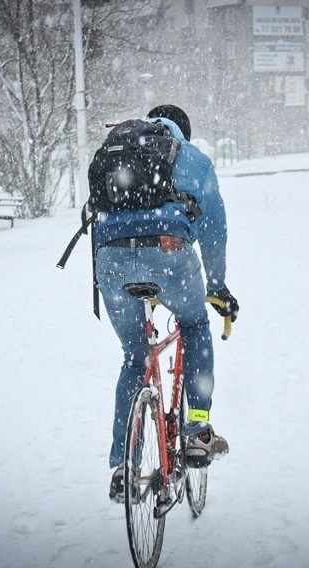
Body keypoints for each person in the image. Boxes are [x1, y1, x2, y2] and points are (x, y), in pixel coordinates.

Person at [93, 104, 239, 503]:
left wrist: (109, 272)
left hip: (110, 261)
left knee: (134, 357)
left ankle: (125, 465)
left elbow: (99, 219)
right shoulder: (191, 158)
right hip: (170, 255)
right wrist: (218, 285)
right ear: (182, 132)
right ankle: (196, 432)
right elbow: (214, 230)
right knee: (194, 326)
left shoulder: (116, 151)